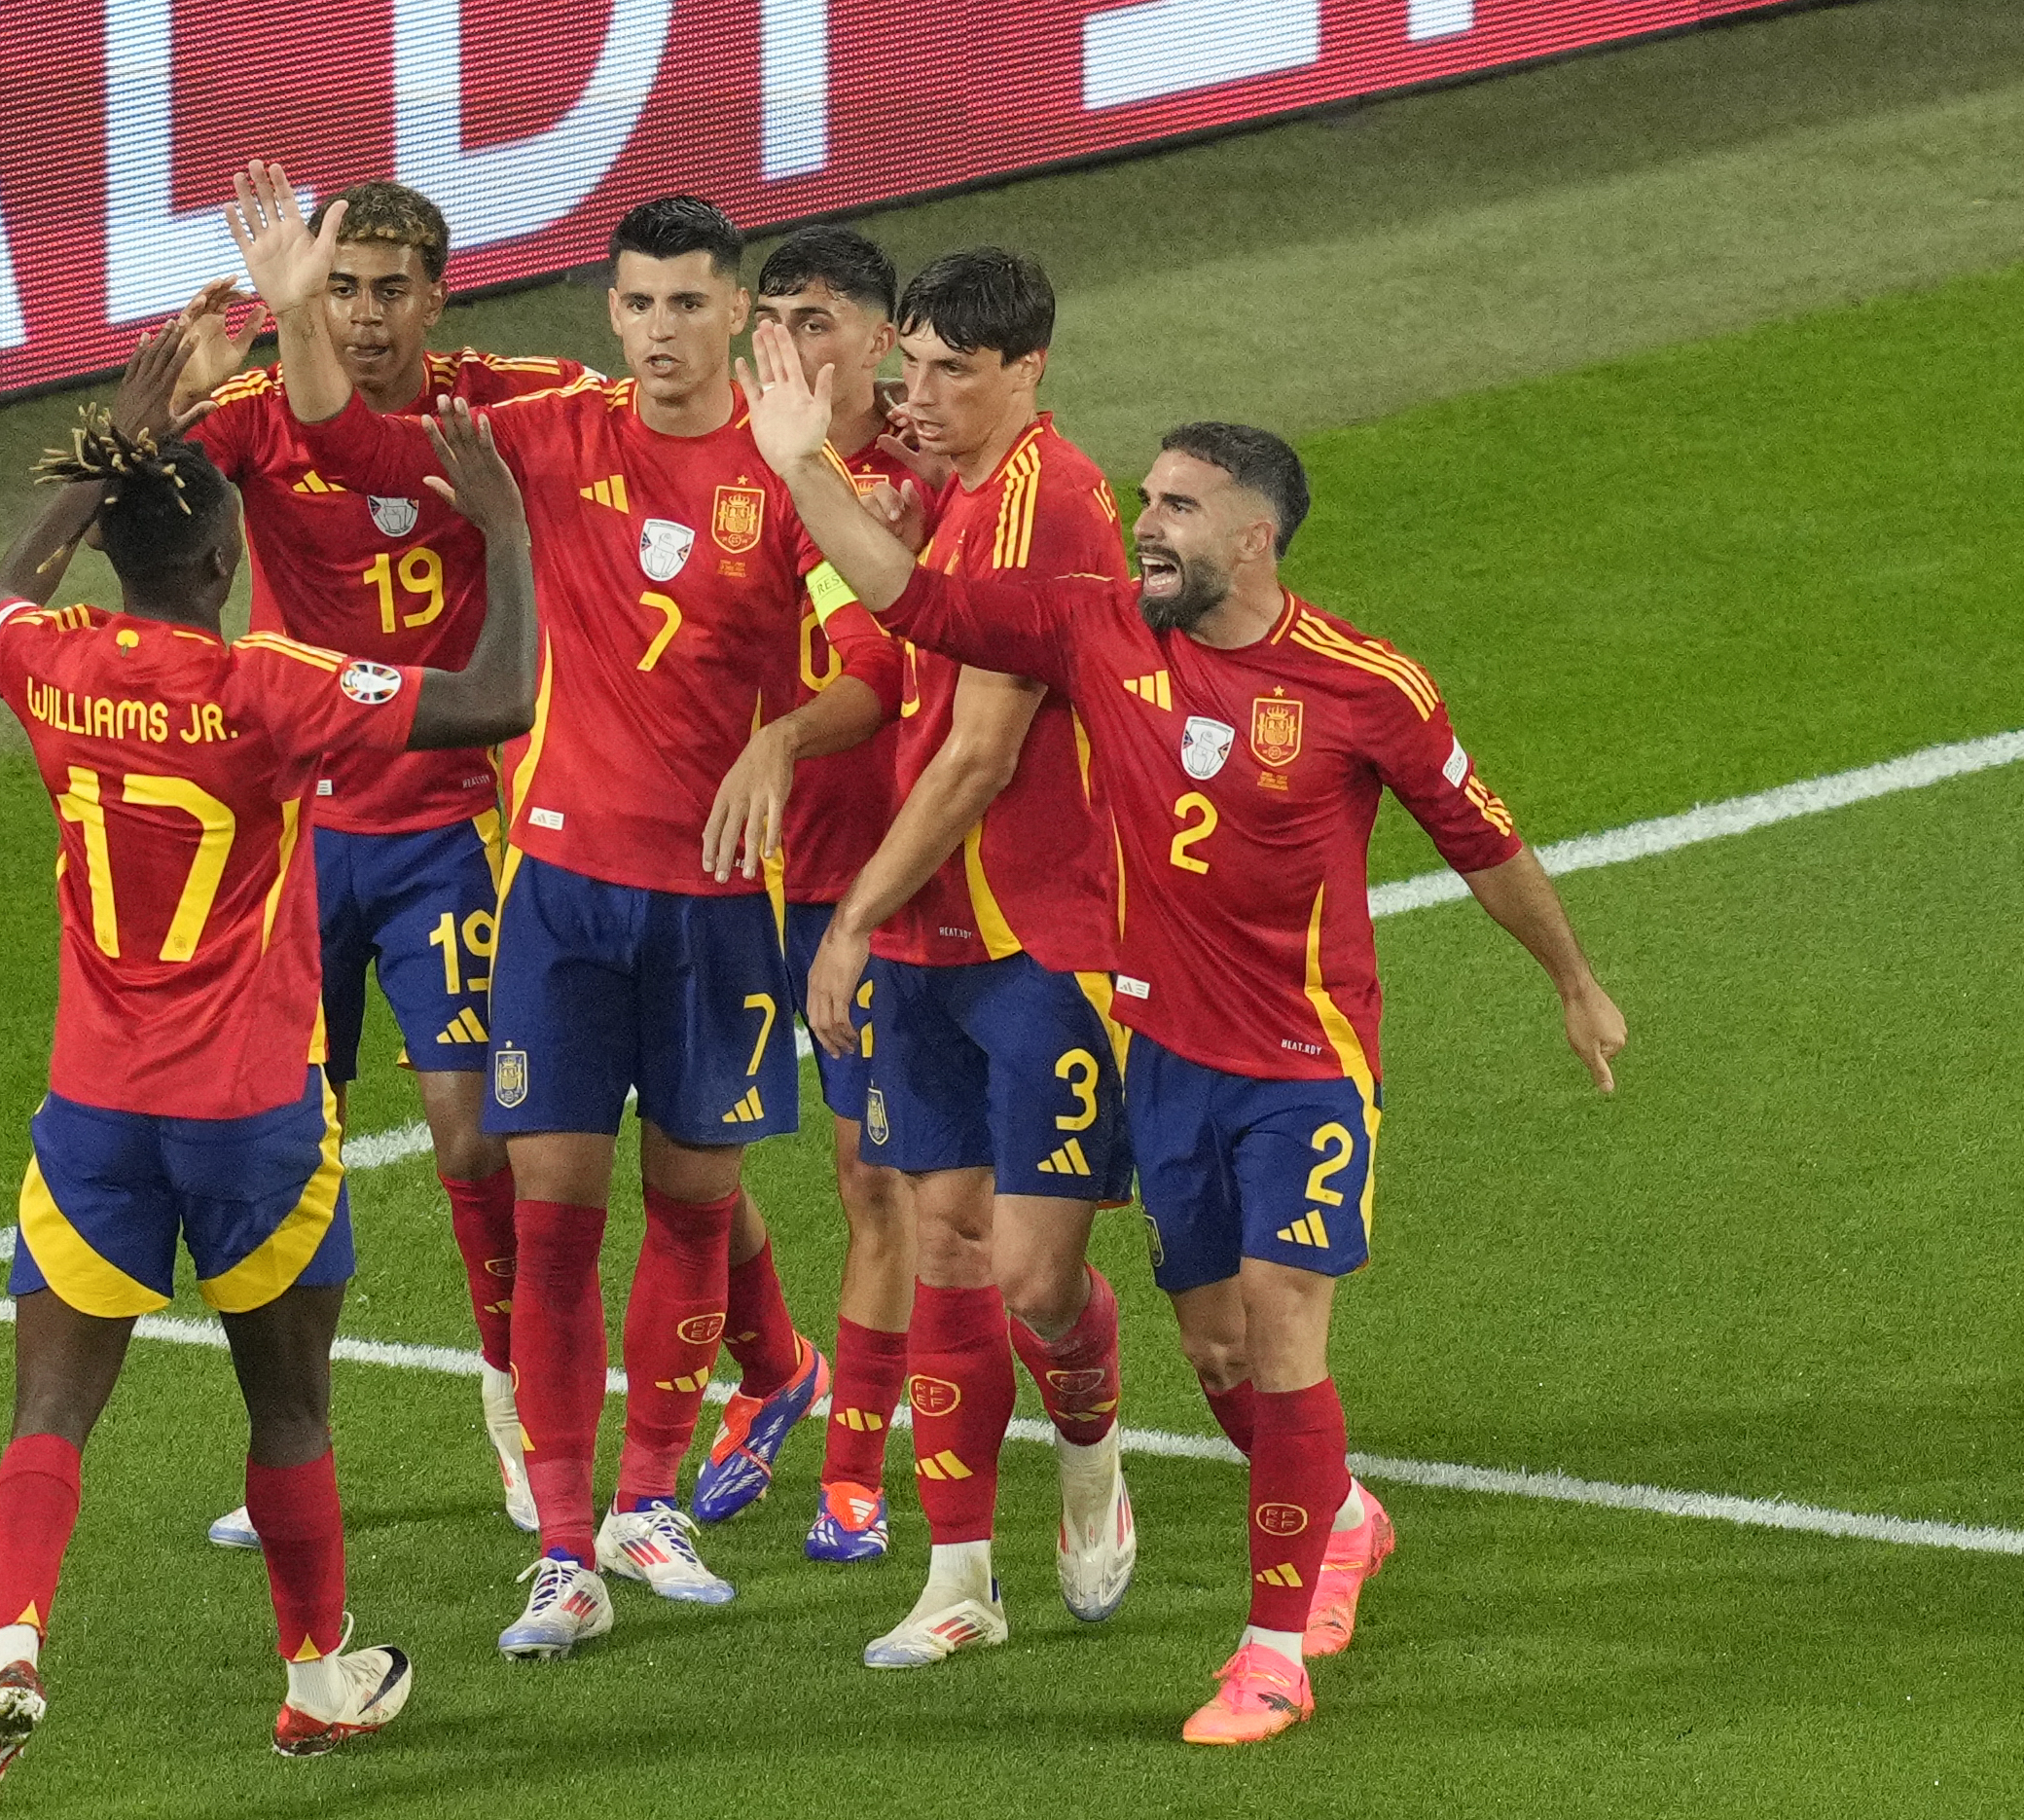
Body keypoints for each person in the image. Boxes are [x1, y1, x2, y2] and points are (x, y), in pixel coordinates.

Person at [742, 328, 1629, 1740]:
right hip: (1166, 1067)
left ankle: (1269, 1650)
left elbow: (1484, 842)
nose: (1141, 527)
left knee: (1281, 1327)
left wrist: (1571, 980)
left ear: (1254, 537)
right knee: (1216, 1353)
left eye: (1173, 508)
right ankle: (1339, 1516)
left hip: (1301, 1068)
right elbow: (913, 602)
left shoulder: (1363, 686)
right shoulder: (1096, 632)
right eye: (1143, 502)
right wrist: (802, 466)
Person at [0, 327, 540, 1820]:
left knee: (49, 1415)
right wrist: (504, 531)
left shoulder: (50, 667)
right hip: (254, 1115)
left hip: (95, 1114)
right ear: (223, 554)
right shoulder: (267, 684)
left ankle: (12, 1651)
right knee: (290, 1413)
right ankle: (315, 1673)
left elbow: (2, 596)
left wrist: (108, 442)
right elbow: (497, 697)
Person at [228, 162, 833, 1656]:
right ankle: (564, 1549)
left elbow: (886, 657)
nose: (658, 331)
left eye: (688, 305)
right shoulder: (544, 441)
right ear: (608, 313)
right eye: (635, 304)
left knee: (688, 1210)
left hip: (714, 909)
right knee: (552, 1220)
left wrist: (783, 737)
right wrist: (296, 310)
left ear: (734, 309)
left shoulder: (786, 465)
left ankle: (647, 1499)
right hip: (557, 895)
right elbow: (343, 438)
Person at [724, 252, 1140, 1663]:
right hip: (927, 937)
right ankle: (959, 1580)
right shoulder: (945, 479)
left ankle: (1088, 1452)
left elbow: (972, 758)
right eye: (913, 367)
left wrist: (842, 919)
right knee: (944, 1237)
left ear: (1028, 372)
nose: (923, 397)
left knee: (1032, 1278)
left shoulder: (1048, 507)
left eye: (956, 372)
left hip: (1041, 935)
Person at [162, 180, 593, 1545]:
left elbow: (628, 409)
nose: (361, 315)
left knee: (475, 1137)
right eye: (338, 288)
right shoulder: (254, 413)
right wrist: (170, 390)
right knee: (282, 1153)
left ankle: (523, 1414)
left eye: (387, 289)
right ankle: (287, 1451)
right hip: (295, 838)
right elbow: (126, 489)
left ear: (437, 295)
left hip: (444, 827)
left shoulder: (492, 404)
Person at [687, 225, 916, 1557]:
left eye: (820, 320)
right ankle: (776, 1373)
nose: (791, 344)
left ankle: (854, 1469)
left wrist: (780, 739)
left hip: (872, 878)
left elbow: (885, 674)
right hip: (725, 867)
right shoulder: (719, 456)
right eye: (773, 316)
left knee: (873, 1180)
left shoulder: (925, 477)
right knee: (687, 1155)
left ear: (881, 339)